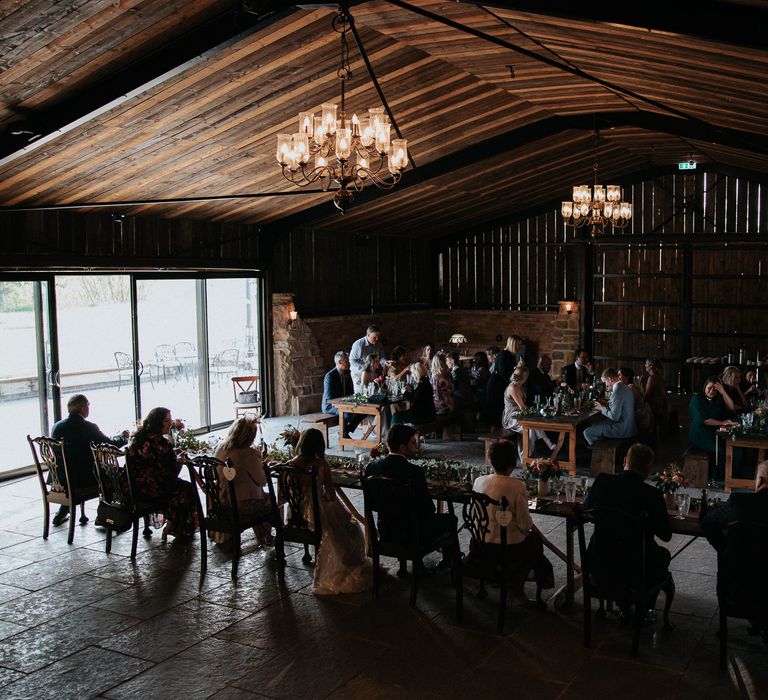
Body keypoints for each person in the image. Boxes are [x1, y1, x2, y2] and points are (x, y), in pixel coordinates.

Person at [583, 443, 673, 612]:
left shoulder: (603, 481)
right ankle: (644, 610)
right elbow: (666, 535)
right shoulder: (651, 495)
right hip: (635, 568)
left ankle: (621, 605)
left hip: (599, 561)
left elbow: (586, 507)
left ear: (625, 460)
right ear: (648, 468)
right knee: (663, 555)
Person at [288, 428, 371, 595]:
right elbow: (331, 495)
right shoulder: (320, 465)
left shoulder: (290, 464)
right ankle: (348, 561)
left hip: (295, 512)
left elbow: (284, 495)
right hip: (315, 511)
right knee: (350, 526)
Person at [365, 423, 457, 566]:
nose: (417, 445)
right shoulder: (414, 472)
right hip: (412, 534)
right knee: (450, 519)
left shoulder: (372, 467)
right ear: (402, 447)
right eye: (413, 443)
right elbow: (428, 509)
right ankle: (449, 561)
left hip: (385, 530)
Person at [471, 440, 554, 597]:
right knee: (535, 541)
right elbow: (524, 524)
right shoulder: (517, 486)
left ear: (490, 460)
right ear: (512, 463)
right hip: (510, 549)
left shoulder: (479, 481)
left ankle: (496, 576)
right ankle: (518, 582)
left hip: (481, 544)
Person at [50, 394, 129, 526]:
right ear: (82, 409)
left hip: (59, 478)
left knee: (73, 469)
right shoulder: (88, 427)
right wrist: (123, 437)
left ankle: (63, 512)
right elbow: (109, 445)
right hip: (83, 479)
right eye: (88, 405)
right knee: (116, 475)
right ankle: (107, 515)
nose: (88, 408)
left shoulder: (57, 426)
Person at [125, 407, 196, 540]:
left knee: (179, 486)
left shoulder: (138, 439)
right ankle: (176, 526)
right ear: (158, 422)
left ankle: (172, 525)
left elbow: (153, 463)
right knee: (186, 488)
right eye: (166, 421)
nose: (170, 423)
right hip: (151, 490)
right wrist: (180, 460)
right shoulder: (161, 444)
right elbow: (170, 473)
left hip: (133, 487)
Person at [211, 417, 272, 546]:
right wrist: (266, 467)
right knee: (270, 501)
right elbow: (262, 481)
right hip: (241, 507)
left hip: (221, 502)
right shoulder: (249, 454)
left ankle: (262, 537)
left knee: (259, 496)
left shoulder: (221, 448)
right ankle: (265, 537)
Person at [703, 461, 768, 553]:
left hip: (738, 563)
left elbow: (708, 522)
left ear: (760, 480)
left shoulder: (738, 501)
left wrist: (726, 550)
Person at [501, 367, 557, 463]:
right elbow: (522, 407)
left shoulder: (520, 386)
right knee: (530, 426)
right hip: (511, 417)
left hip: (519, 414)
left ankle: (526, 455)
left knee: (531, 426)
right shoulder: (513, 387)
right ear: (523, 377)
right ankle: (532, 452)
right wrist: (535, 412)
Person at [688, 376, 737, 473]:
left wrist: (723, 392)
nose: (711, 391)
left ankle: (730, 475)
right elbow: (704, 420)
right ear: (704, 387)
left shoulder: (717, 400)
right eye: (709, 388)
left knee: (734, 448)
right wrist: (723, 422)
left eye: (715, 389)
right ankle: (718, 476)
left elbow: (731, 408)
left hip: (715, 433)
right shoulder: (697, 399)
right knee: (721, 449)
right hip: (700, 433)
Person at [583, 368, 637, 445]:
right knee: (594, 424)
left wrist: (602, 408)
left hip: (623, 429)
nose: (606, 385)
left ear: (609, 379)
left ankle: (599, 452)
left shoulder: (617, 391)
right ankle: (602, 443)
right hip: (630, 426)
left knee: (587, 432)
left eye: (605, 382)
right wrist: (606, 405)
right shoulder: (624, 386)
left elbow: (614, 417)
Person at [322, 351, 364, 437]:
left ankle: (346, 430)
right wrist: (345, 404)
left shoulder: (347, 373)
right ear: (340, 362)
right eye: (347, 361)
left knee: (363, 411)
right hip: (330, 406)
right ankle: (343, 434)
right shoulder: (330, 376)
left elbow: (351, 392)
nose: (349, 363)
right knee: (347, 413)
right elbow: (330, 399)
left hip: (344, 403)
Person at [618, 367, 653, 433]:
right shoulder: (630, 386)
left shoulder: (630, 388)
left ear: (627, 377)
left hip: (641, 418)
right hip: (641, 416)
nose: (618, 377)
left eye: (620, 375)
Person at [481, 345, 506, 427]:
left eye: (488, 354)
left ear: (494, 355)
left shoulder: (497, 366)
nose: (487, 357)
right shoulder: (492, 366)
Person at [643, 358, 668, 432]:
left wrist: (641, 385)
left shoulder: (652, 378)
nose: (645, 366)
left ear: (650, 366)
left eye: (646, 364)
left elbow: (646, 396)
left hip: (654, 407)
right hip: (661, 405)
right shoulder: (659, 376)